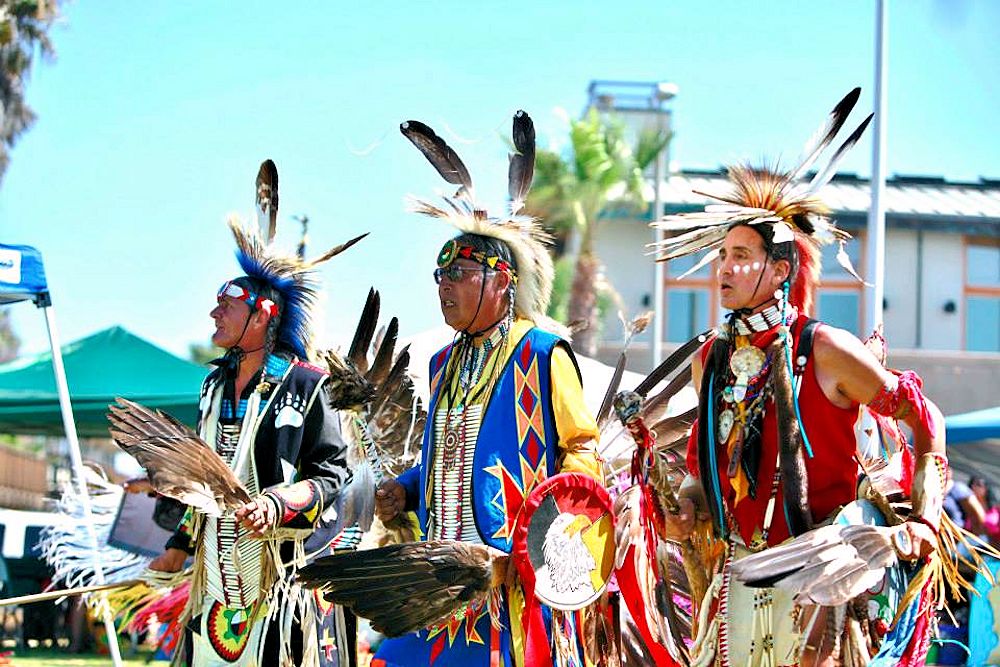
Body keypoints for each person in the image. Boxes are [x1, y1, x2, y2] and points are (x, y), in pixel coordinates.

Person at [654, 89, 948, 666]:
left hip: (824, 581)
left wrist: (926, 519)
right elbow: (701, 468)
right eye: (723, 254)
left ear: (781, 269)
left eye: (743, 255)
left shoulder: (827, 351)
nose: (726, 268)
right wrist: (688, 507)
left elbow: (925, 418)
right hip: (736, 580)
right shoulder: (709, 359)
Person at [371, 112, 603, 667]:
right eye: (439, 275)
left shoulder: (541, 354)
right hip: (438, 577)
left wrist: (546, 543)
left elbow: (581, 448)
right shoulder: (444, 364)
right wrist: (406, 488)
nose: (444, 285)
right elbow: (448, 456)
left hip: (512, 584)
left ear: (502, 281)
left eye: (460, 273)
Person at [146, 177, 357, 666]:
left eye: (227, 305)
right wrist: (179, 545)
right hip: (213, 583)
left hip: (276, 585)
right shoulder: (212, 388)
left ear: (262, 315)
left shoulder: (305, 384)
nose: (213, 313)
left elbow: (333, 474)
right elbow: (203, 481)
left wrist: (278, 501)